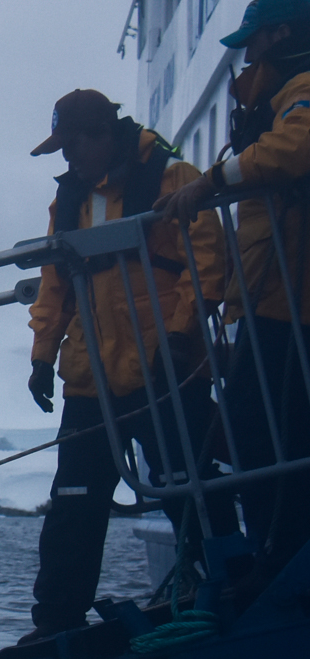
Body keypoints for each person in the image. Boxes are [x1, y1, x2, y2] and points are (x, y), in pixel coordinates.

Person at [22, 89, 231, 641]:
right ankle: (57, 623)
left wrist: (182, 336)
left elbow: (205, 259)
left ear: (102, 136)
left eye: (71, 146)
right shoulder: (67, 202)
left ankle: (226, 587)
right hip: (90, 374)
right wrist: (43, 357)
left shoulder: (172, 178)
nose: (67, 159)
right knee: (73, 504)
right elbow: (54, 284)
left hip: (163, 363)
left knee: (191, 485)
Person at [157, 0, 310, 589]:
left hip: (289, 305)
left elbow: (296, 149)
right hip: (273, 299)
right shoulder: (278, 91)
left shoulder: (301, 86)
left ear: (282, 33)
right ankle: (277, 549)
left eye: (254, 40)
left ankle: (282, 556)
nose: (247, 54)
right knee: (262, 428)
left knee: (265, 428)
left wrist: (213, 179)